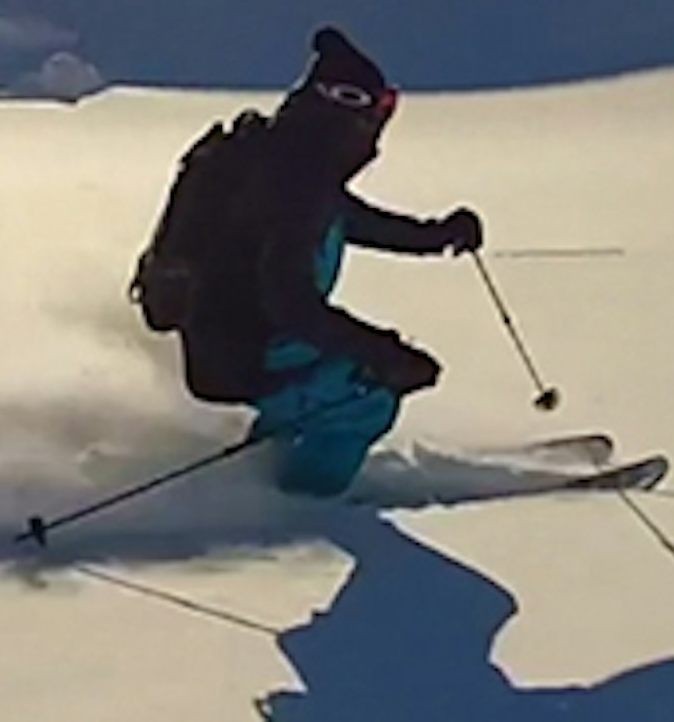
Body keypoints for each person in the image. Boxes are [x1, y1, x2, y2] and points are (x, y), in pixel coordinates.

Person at [167, 25, 484, 498]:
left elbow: (350, 220)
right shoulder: (297, 183)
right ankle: (302, 500)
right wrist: (383, 354)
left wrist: (436, 236)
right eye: (379, 114)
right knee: (367, 394)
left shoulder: (278, 159)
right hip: (247, 351)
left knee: (342, 368)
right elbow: (290, 302)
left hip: (224, 341)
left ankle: (269, 456)